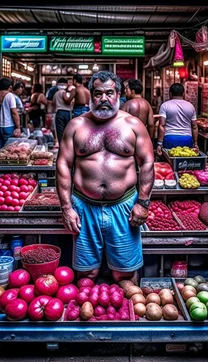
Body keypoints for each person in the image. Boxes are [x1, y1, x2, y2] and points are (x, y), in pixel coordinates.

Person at [56, 71, 154, 284]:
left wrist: (143, 203)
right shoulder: (76, 126)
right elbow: (63, 164)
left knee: (124, 274)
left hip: (124, 207)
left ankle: (126, 314)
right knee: (86, 273)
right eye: (98, 93)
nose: (104, 98)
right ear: (91, 96)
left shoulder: (133, 125)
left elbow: (147, 162)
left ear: (118, 95)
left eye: (109, 93)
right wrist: (66, 208)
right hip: (84, 207)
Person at [157, 83, 199, 156]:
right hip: (187, 139)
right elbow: (194, 127)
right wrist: (195, 143)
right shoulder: (191, 106)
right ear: (183, 94)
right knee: (185, 163)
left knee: (170, 163)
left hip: (170, 139)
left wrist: (159, 144)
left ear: (170, 93)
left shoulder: (165, 105)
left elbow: (162, 125)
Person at [0, 77, 21, 151]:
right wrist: (18, 127)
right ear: (10, 87)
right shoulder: (10, 96)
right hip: (9, 126)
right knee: (9, 151)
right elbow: (14, 113)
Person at [53, 77, 74, 143]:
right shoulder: (63, 92)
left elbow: (53, 104)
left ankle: (62, 147)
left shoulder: (55, 94)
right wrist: (72, 96)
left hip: (58, 112)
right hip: (66, 113)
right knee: (67, 132)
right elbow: (67, 101)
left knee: (60, 132)